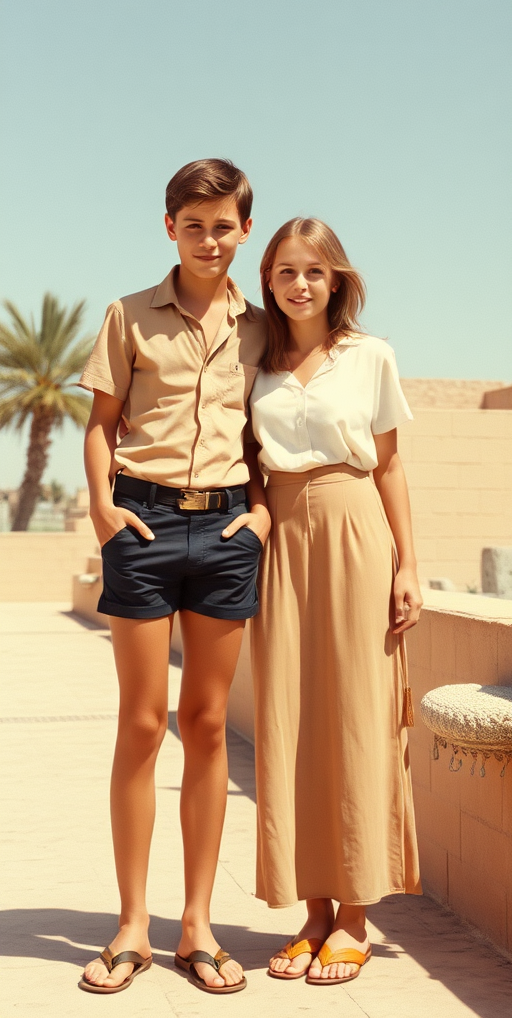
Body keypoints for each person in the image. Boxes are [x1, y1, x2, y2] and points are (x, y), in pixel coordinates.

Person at [77, 159, 270, 995]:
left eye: (223, 224)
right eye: (194, 225)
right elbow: (100, 424)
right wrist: (102, 508)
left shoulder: (261, 329)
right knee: (143, 723)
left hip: (226, 528)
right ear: (170, 229)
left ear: (244, 230)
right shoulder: (126, 316)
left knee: (208, 724)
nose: (209, 238)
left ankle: (197, 924)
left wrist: (260, 514)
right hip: (144, 524)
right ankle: (131, 925)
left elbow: (271, 436)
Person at [246, 216, 422, 986]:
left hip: (355, 532)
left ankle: (355, 914)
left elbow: (388, 468)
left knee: (355, 715)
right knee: (290, 720)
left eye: (314, 271)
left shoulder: (370, 356)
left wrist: (409, 564)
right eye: (285, 271)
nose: (300, 284)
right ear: (270, 280)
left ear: (337, 278)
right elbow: (246, 461)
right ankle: (311, 910)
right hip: (281, 540)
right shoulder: (256, 361)